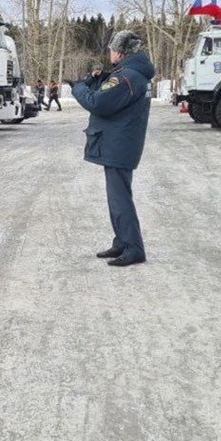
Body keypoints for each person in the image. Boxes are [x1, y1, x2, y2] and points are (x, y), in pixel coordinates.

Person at [71, 29, 155, 267]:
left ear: (119, 52)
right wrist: (101, 78)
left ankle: (133, 248)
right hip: (121, 143)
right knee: (117, 197)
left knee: (120, 199)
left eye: (111, 49)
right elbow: (113, 93)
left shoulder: (126, 77)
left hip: (119, 145)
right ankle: (122, 241)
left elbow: (98, 102)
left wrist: (79, 87)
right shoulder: (132, 75)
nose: (110, 53)